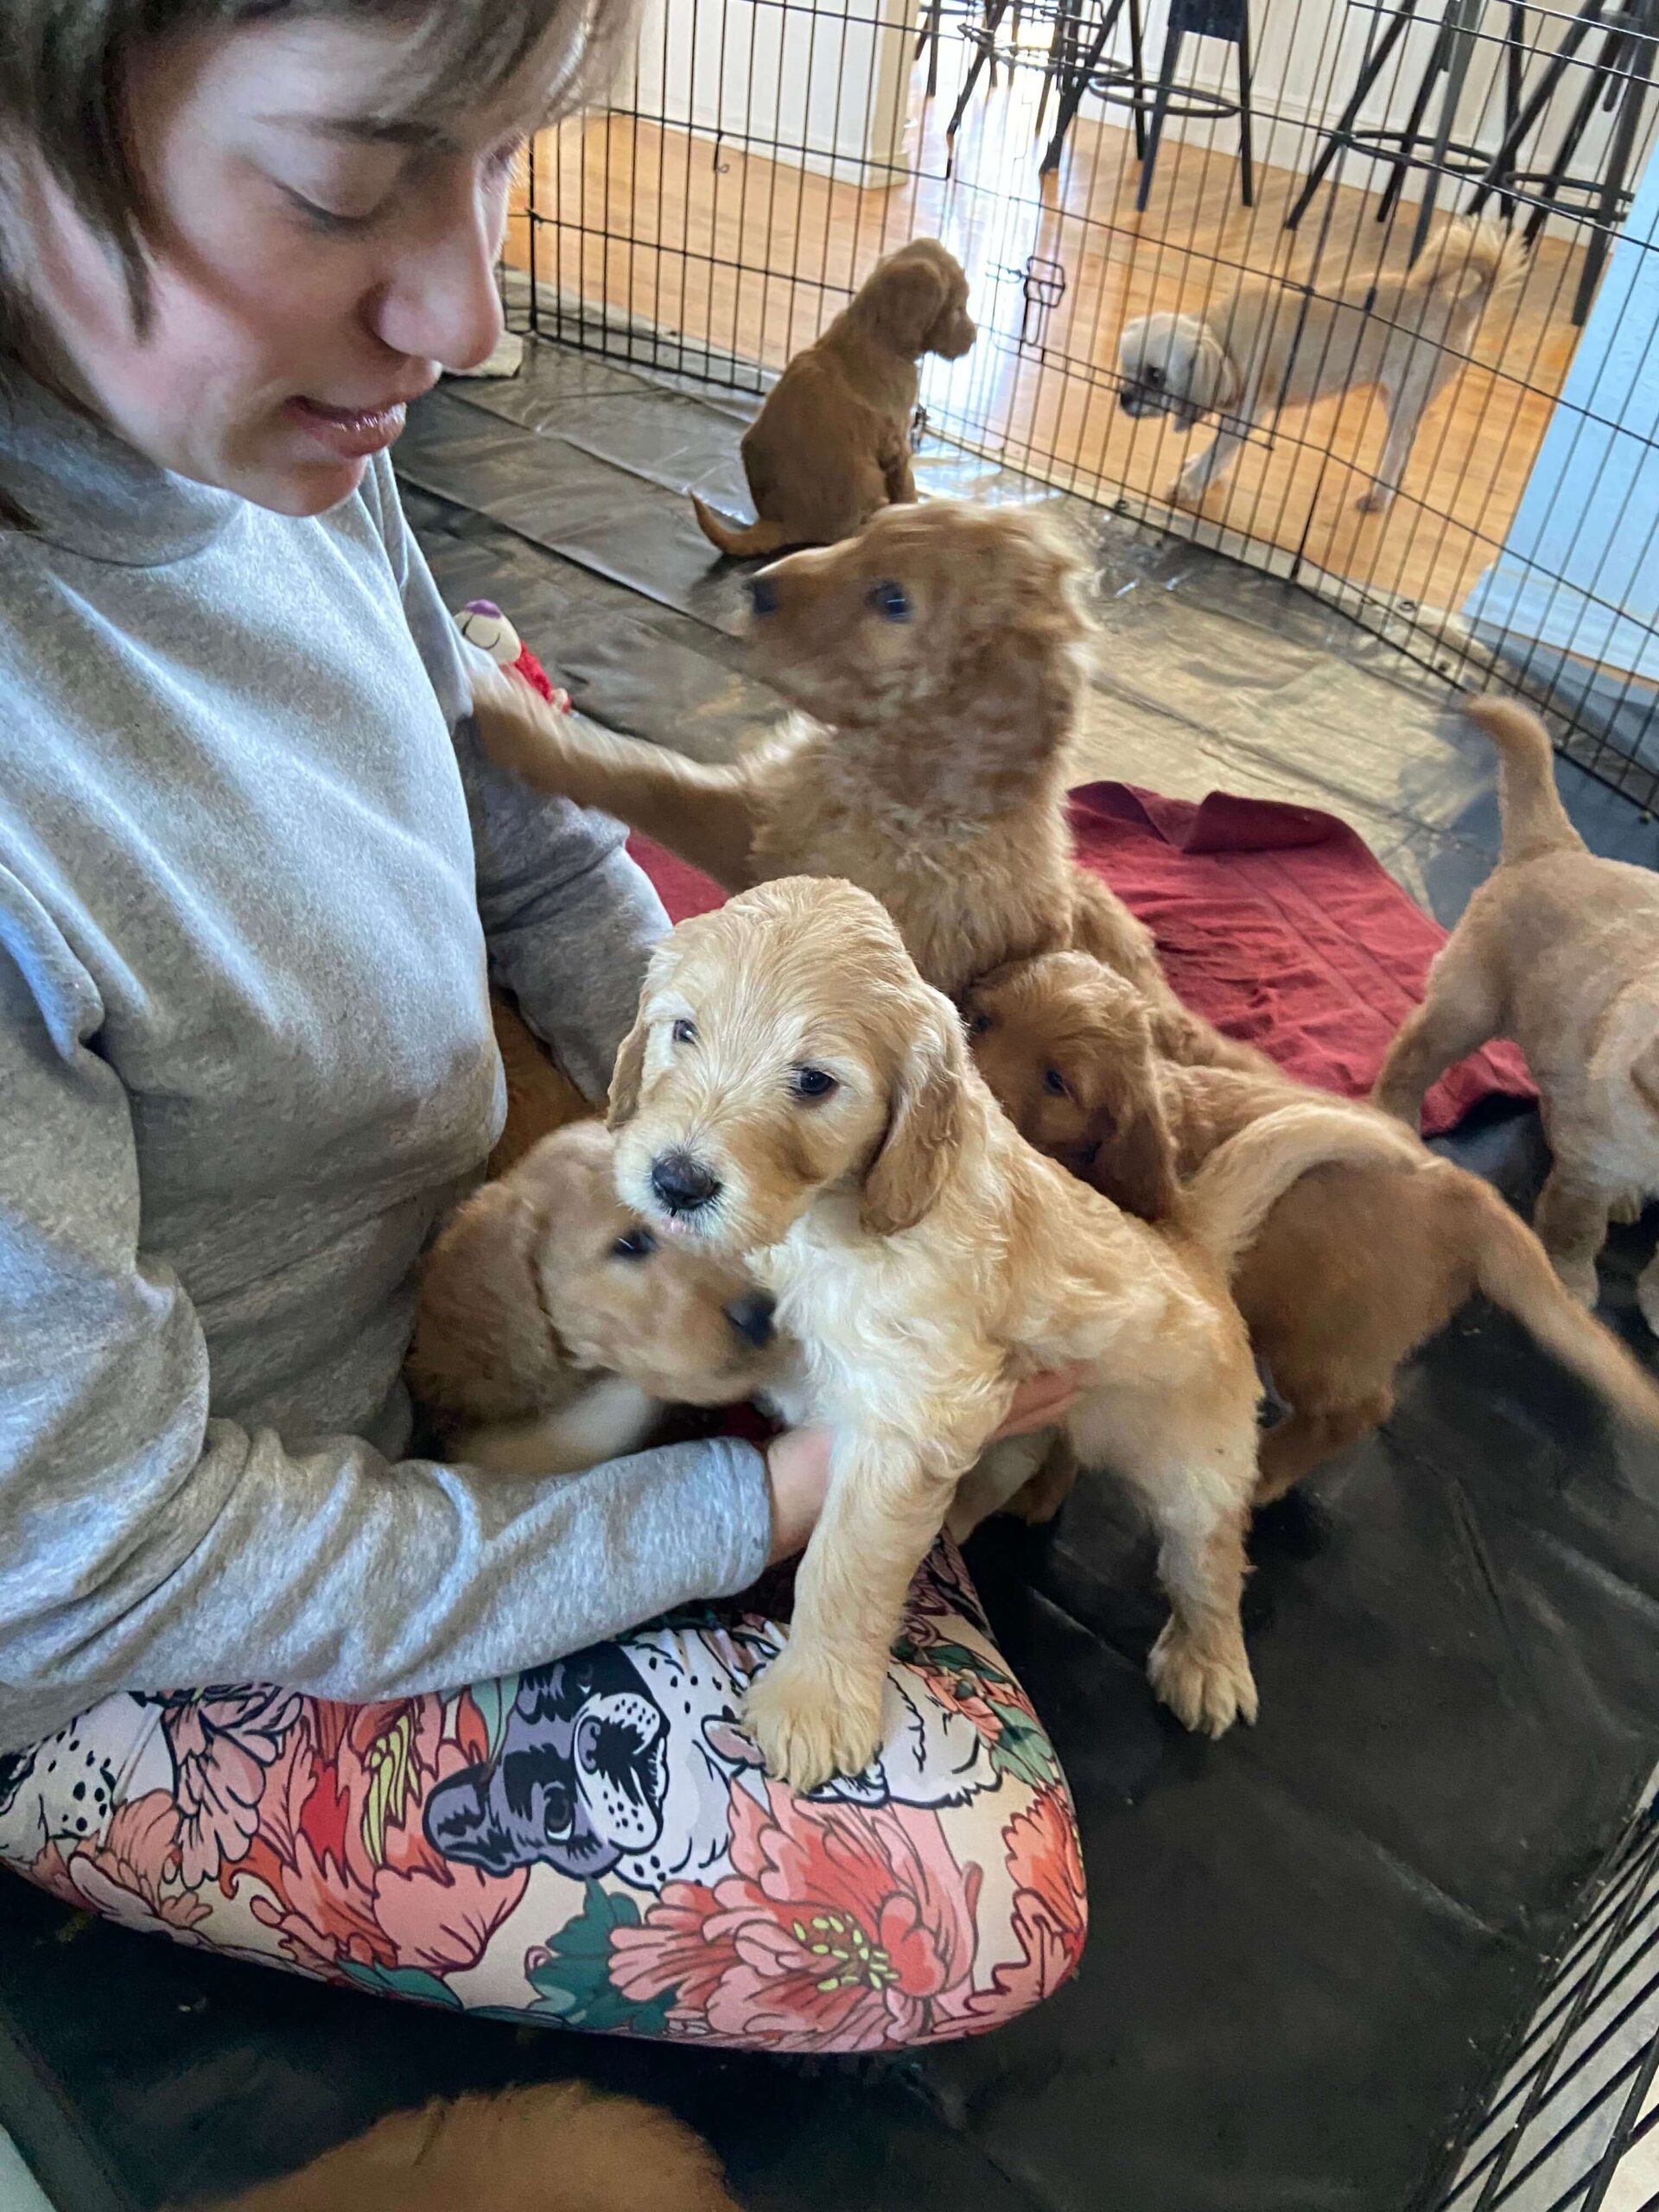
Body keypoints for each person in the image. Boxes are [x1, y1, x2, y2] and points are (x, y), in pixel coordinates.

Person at [0, 0, 1087, 2051]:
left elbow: (544, 857)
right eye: (346, 185)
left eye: (504, 158)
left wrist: (744, 1147)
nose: (473, 317)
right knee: (949, 1890)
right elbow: (95, 1556)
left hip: (471, 1331)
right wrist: (759, 1506)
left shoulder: (295, 446)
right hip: (140, 1618)